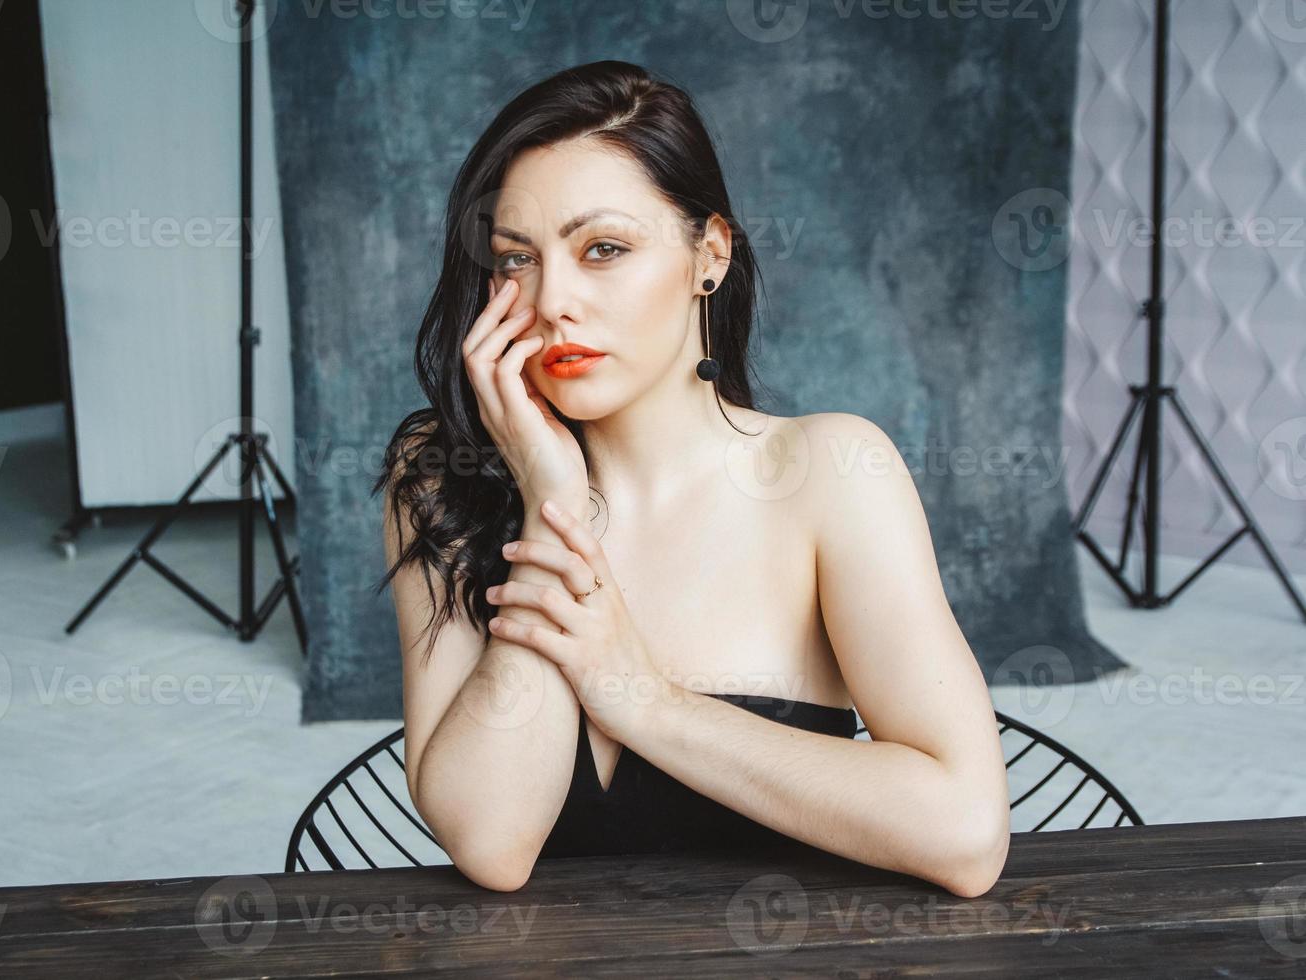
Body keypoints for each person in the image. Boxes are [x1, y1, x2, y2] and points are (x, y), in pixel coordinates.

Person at [372, 61, 1009, 897]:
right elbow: (492, 845)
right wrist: (552, 501)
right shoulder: (436, 479)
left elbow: (964, 837)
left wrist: (642, 700)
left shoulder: (830, 473)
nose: (554, 298)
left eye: (603, 249)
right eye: (516, 259)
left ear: (708, 254)